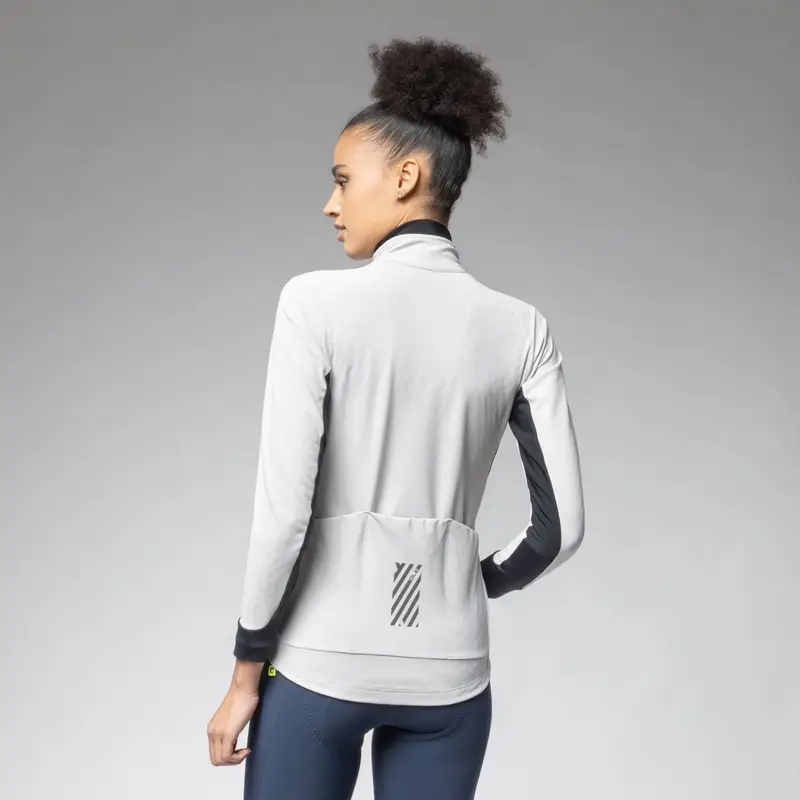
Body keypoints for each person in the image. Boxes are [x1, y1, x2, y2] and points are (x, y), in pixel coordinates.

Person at [207, 36, 586, 800]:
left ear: (406, 177)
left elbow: (283, 517)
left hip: (322, 660)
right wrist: (469, 580)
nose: (331, 203)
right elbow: (560, 531)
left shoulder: (313, 303)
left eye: (343, 180)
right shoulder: (522, 329)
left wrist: (245, 675)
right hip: (451, 670)